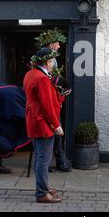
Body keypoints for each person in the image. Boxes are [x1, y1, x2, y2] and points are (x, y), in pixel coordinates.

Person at [23, 48, 64, 203]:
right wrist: (56, 125)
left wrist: (59, 95)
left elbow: (40, 99)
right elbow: (47, 106)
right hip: (42, 123)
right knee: (43, 158)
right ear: (47, 62)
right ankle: (41, 193)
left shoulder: (31, 73)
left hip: (34, 120)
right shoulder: (42, 78)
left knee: (40, 157)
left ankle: (44, 187)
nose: (54, 63)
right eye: (52, 60)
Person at [35, 28, 72, 173]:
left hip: (54, 101)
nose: (59, 46)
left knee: (52, 135)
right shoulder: (44, 64)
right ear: (50, 45)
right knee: (52, 133)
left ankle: (55, 161)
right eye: (57, 43)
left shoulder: (51, 60)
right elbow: (51, 81)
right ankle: (55, 162)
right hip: (50, 103)